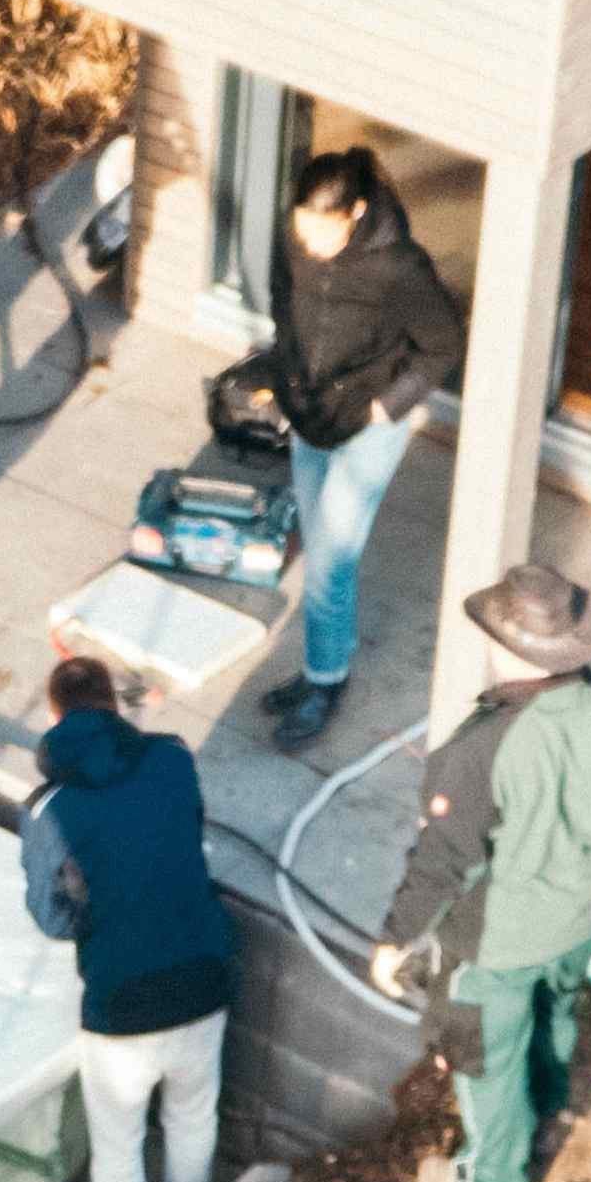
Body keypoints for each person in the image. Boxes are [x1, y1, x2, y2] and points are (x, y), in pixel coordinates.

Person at [370, 562, 591, 1182]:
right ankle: (547, 1105)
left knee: (486, 1062)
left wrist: (395, 938)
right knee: (554, 1013)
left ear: (502, 645)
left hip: (495, 940)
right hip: (582, 916)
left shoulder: (480, 749)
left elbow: (443, 858)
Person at [21, 650, 232, 1182]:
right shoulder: (172, 758)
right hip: (204, 976)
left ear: (55, 715)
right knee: (193, 1118)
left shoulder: (48, 807)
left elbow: (53, 919)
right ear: (115, 705)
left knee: (118, 1146)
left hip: (122, 1007)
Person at [243, 146, 464, 755]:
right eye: (302, 229)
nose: (309, 244)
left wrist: (384, 408)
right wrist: (281, 374)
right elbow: (288, 313)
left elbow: (441, 346)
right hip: (310, 413)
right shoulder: (294, 244)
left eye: (324, 231)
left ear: (357, 212)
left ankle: (324, 683)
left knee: (331, 562)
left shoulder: (398, 268)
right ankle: (325, 661)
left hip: (369, 424)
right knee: (318, 547)